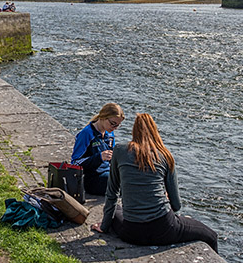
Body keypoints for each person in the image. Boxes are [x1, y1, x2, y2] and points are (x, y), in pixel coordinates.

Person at [92, 113, 218, 253]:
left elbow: (112, 193)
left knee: (116, 210)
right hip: (164, 229)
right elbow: (176, 205)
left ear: (134, 131)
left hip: (131, 233)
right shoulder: (165, 155)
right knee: (211, 236)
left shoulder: (120, 150)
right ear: (155, 131)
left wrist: (104, 226)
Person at [72, 103, 125, 195]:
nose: (115, 128)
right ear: (103, 117)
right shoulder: (87, 133)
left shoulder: (110, 134)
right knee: (123, 184)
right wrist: (99, 157)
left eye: (117, 125)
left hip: (107, 172)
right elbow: (75, 162)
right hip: (92, 178)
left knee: (131, 177)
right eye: (113, 124)